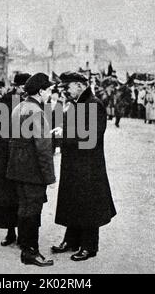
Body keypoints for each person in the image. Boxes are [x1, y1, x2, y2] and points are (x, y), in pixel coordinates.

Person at [51, 72, 116, 262]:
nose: (65, 91)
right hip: (74, 163)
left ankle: (89, 246)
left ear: (80, 85)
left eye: (68, 87)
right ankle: (71, 240)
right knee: (73, 200)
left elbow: (92, 136)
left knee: (88, 204)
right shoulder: (78, 104)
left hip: (88, 165)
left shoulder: (94, 104)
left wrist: (65, 134)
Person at [6, 73, 56, 267]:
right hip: (32, 169)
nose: (50, 94)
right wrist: (49, 176)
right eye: (49, 90)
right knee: (33, 210)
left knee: (24, 207)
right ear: (41, 91)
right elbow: (43, 147)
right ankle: (31, 251)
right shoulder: (36, 111)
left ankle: (25, 246)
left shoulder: (19, 107)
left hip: (18, 166)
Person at [0, 72, 30, 248]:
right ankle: (10, 231)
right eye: (24, 87)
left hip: (24, 157)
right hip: (5, 157)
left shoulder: (31, 103)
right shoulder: (2, 103)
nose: (26, 91)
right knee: (7, 197)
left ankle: (24, 232)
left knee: (24, 196)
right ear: (16, 87)